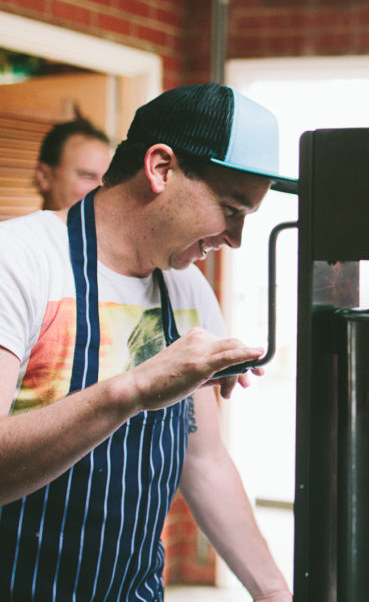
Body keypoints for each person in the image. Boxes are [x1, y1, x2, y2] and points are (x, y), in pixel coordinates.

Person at [0, 83, 293, 600]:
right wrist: (133, 388)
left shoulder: (186, 289)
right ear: (160, 168)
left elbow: (202, 460)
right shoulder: (19, 262)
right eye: (231, 210)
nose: (235, 239)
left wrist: (273, 592)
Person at [35, 117, 112, 211]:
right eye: (88, 177)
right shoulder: (16, 226)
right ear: (44, 176)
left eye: (107, 180)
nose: (103, 192)